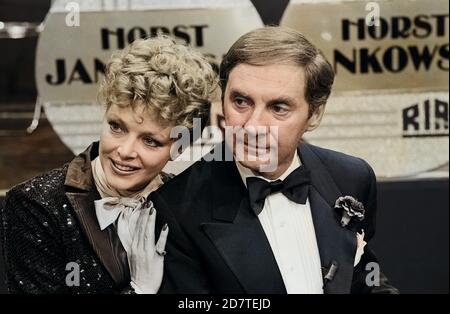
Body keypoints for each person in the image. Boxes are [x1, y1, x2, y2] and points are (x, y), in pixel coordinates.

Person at [152, 27, 399, 294]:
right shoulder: (177, 209)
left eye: (278, 108)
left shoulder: (352, 176)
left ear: (314, 115)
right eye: (240, 101)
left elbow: (364, 276)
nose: (253, 126)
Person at [0, 36, 218, 293]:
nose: (124, 151)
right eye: (116, 127)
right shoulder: (36, 205)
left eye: (150, 141)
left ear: (179, 148)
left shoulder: (184, 204)